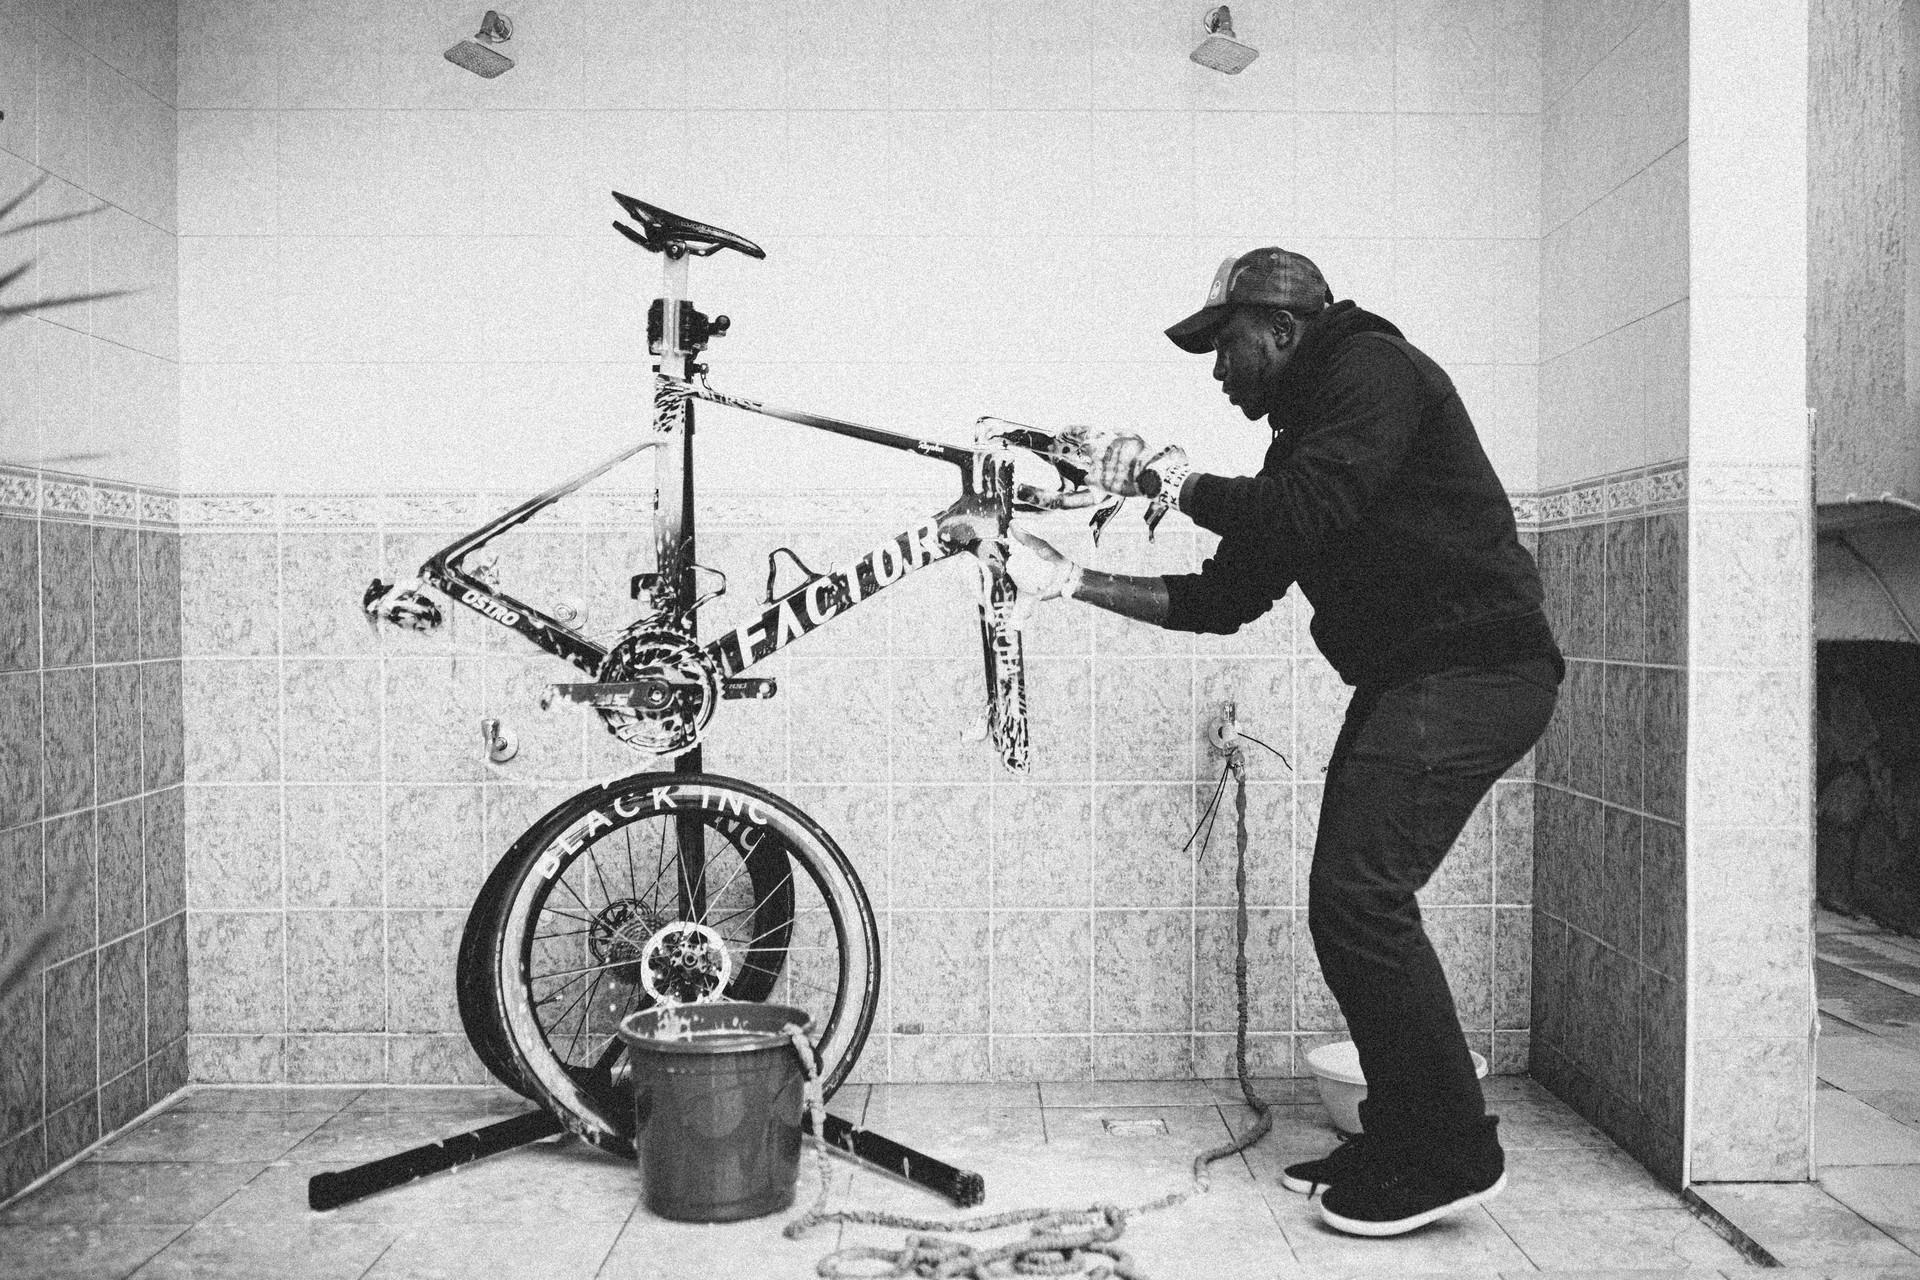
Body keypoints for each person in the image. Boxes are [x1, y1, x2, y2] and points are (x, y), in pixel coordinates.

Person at [1007, 248, 1563, 1237]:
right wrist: (1070, 580)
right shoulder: (1307, 441)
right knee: (1346, 901)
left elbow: (1303, 510)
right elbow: (1224, 598)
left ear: (1281, 326)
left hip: (1477, 669)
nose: (1218, 371)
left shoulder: (1373, 374)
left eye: (1223, 345)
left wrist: (1168, 479)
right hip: (1416, 677)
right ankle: (1405, 1129)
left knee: (1361, 898)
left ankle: (1448, 1150)